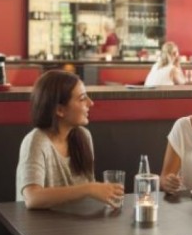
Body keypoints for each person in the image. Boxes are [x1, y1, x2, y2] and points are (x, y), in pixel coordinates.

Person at [16, 70, 123, 209]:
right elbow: (32, 198)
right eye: (82, 98)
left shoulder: (84, 136)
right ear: (60, 110)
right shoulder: (36, 141)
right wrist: (88, 189)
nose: (91, 103)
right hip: (38, 228)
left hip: (75, 226)